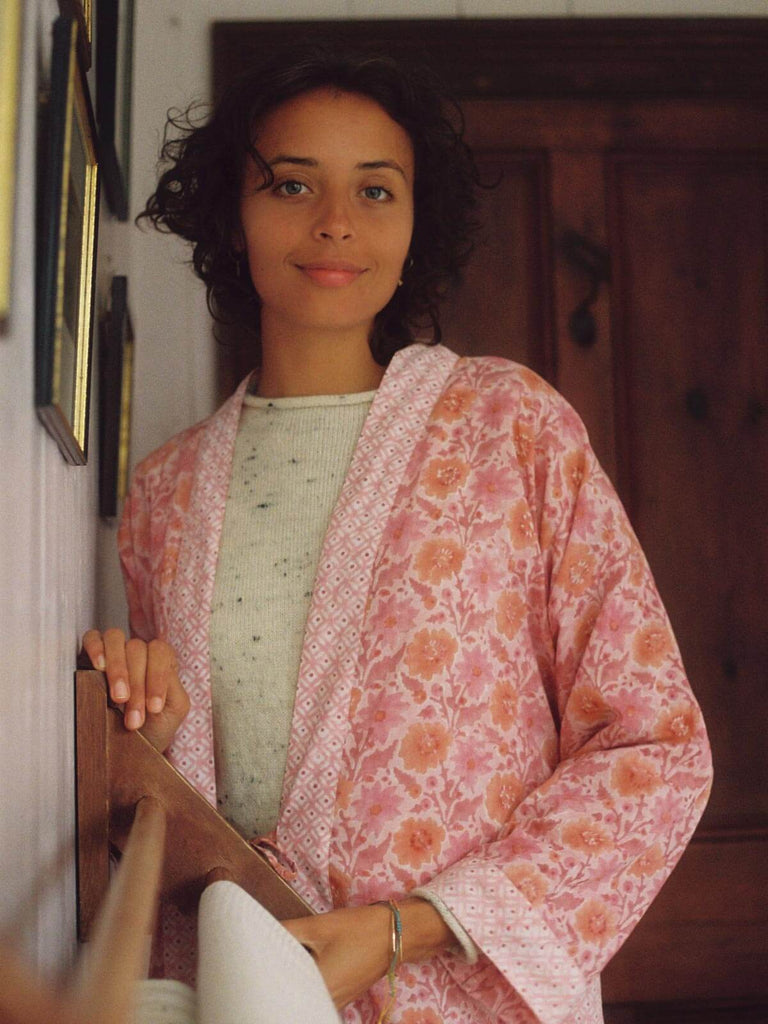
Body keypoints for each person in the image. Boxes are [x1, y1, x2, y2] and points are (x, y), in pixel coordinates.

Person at [83, 47, 712, 1024]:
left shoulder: (511, 425)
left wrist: (406, 926)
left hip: (464, 998)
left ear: (417, 222)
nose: (335, 221)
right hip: (246, 995)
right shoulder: (166, 492)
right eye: (291, 183)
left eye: (376, 189)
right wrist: (152, 740)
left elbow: (655, 740)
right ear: (230, 212)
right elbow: (190, 794)